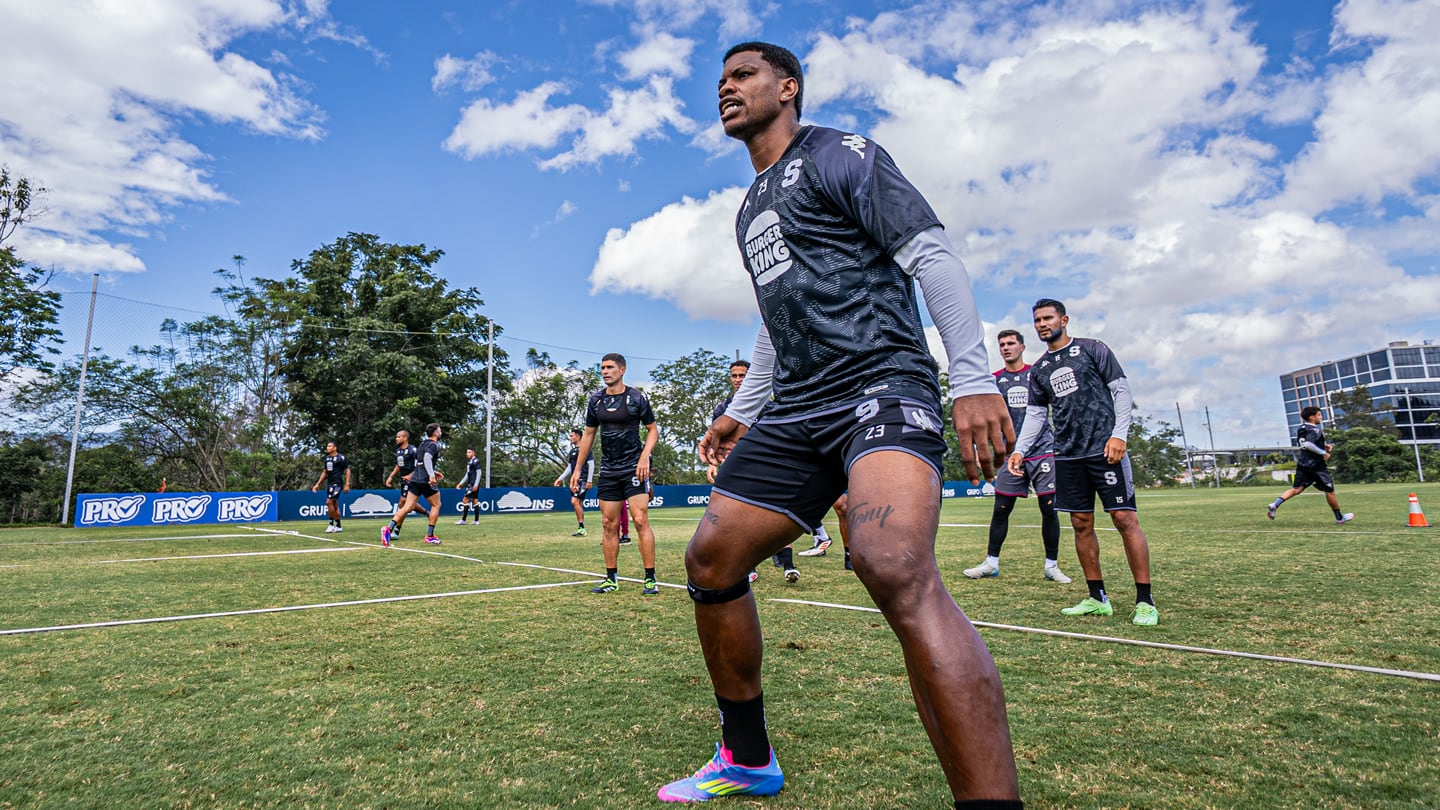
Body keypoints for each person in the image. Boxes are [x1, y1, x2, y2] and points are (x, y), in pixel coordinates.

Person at [659, 42, 1021, 806]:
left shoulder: (841, 154)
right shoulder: (750, 204)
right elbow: (774, 319)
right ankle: (748, 759)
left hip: (880, 383)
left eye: (743, 76)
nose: (726, 89)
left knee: (890, 564)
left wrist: (973, 376)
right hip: (797, 404)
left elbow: (932, 253)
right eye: (720, 81)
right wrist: (740, 411)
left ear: (787, 87)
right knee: (712, 560)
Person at [1008, 299, 1157, 627]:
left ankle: (1145, 600)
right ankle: (1097, 598)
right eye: (1037, 320)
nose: (1042, 324)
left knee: (1123, 519)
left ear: (1064, 319)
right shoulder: (1040, 369)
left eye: (1048, 318)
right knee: (1080, 524)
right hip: (1068, 455)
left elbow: (1121, 391)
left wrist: (1119, 435)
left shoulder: (1093, 349)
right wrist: (1019, 449)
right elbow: (1035, 415)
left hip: (1105, 449)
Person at [965, 329, 1071, 583]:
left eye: (1011, 343)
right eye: (1002, 344)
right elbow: (984, 420)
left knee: (1048, 509)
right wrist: (984, 451)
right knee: (1001, 509)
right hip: (1011, 455)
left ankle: (1051, 566)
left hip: (1043, 450)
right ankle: (991, 563)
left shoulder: (1037, 374)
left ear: (1022, 347)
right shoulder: (994, 381)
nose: (1005, 348)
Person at [571, 353, 661, 596]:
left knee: (640, 520)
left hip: (634, 468)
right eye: (602, 368)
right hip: (609, 470)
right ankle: (611, 578)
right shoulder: (596, 400)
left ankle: (650, 579)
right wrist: (578, 468)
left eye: (610, 367)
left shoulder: (636, 397)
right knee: (608, 524)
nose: (605, 371)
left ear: (622, 370)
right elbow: (589, 435)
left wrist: (644, 457)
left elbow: (653, 430)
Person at [1267, 406, 1354, 524]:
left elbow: (1306, 444)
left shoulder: (1301, 428)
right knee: (1329, 490)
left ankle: (1275, 504)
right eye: (1319, 415)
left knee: (1297, 489)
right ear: (1312, 417)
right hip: (1316, 465)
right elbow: (1308, 444)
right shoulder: (1315, 430)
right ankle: (1339, 518)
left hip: (1303, 463)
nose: (1321, 417)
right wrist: (1323, 452)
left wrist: (1323, 445)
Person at [382, 423, 444, 547]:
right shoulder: (434, 445)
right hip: (425, 479)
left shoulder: (422, 444)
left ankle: (388, 529)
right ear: (436, 433)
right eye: (440, 431)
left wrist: (432, 471)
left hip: (415, 478)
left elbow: (419, 462)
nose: (441, 433)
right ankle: (430, 536)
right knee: (436, 505)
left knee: (407, 507)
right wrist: (431, 475)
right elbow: (427, 458)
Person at [384, 429, 428, 542]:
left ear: (405, 438)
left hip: (413, 480)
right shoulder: (398, 451)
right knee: (409, 504)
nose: (396, 439)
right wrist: (390, 477)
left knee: (402, 503)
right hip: (404, 481)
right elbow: (398, 466)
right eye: (396, 437)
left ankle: (396, 531)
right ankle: (427, 513)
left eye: (399, 437)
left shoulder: (413, 450)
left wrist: (411, 475)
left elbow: (420, 465)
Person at [555, 428, 595, 536]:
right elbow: (569, 467)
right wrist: (560, 478)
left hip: (583, 479)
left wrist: (589, 480)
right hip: (575, 481)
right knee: (578, 503)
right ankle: (581, 529)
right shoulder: (572, 451)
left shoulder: (585, 449)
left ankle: (581, 527)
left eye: (572, 435)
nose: (570, 438)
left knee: (574, 501)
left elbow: (591, 465)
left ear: (578, 436)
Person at [309, 441, 350, 533]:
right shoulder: (327, 458)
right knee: (334, 504)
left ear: (334, 448)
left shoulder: (340, 458)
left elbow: (347, 470)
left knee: (328, 502)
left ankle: (331, 524)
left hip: (337, 483)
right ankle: (338, 526)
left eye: (330, 446)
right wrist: (317, 484)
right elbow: (325, 471)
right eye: (327, 446)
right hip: (330, 483)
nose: (327, 447)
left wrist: (347, 484)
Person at [455, 448, 483, 525]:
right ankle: (476, 521)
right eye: (467, 452)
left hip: (473, 485)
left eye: (469, 452)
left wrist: (476, 485)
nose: (467, 454)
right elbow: (467, 475)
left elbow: (479, 473)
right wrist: (461, 483)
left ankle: (463, 520)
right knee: (474, 501)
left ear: (473, 453)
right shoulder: (469, 463)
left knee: (465, 499)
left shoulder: (476, 461)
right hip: (470, 484)